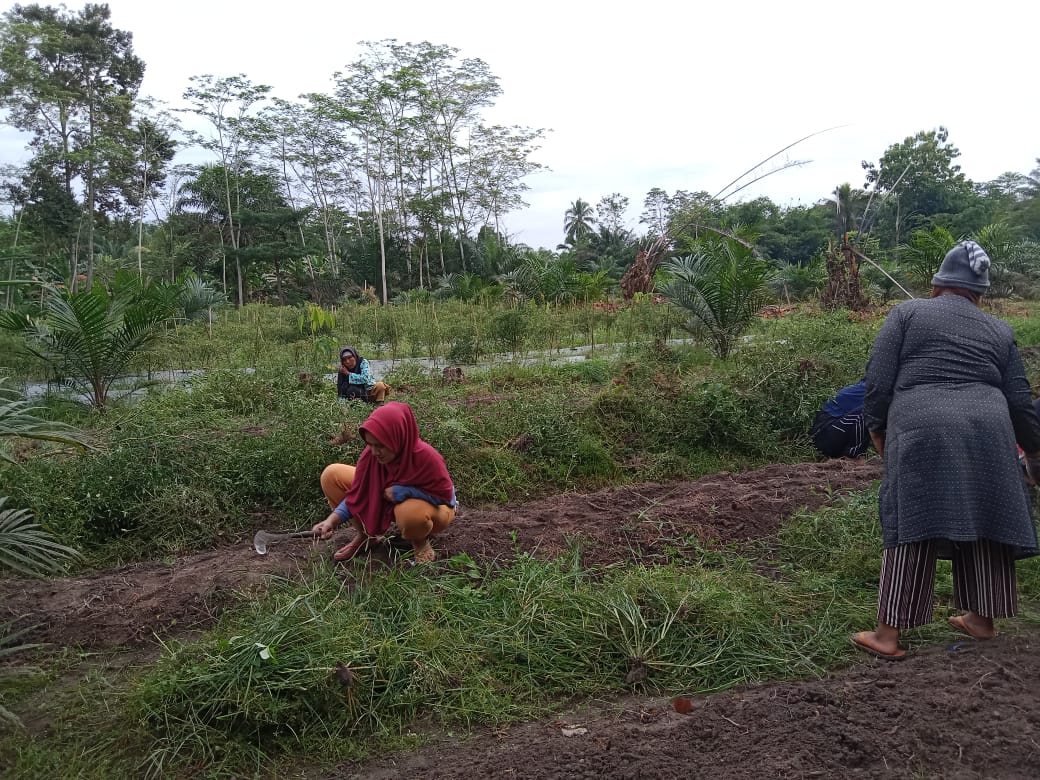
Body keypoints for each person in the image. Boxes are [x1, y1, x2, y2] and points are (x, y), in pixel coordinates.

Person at [851, 240, 1040, 661]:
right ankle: (981, 619)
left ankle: (887, 635)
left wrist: (877, 428)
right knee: (987, 513)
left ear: (938, 282)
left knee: (913, 516)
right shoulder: (1000, 330)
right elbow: (1021, 400)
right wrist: (1035, 450)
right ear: (980, 290)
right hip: (990, 429)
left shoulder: (907, 313)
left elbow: (878, 381)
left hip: (922, 424)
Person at [312, 401, 457, 564]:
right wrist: (331, 520)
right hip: (393, 498)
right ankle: (367, 536)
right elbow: (358, 494)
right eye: (370, 444)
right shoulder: (371, 456)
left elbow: (447, 498)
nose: (374, 452)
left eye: (380, 445)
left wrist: (407, 491)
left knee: (410, 513)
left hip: (437, 508)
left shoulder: (427, 457)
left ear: (397, 437)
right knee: (332, 475)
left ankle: (420, 542)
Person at [811, 379, 869, 458]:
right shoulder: (871, 389)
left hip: (833, 432)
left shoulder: (871, 385)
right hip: (824, 435)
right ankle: (854, 457)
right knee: (868, 411)